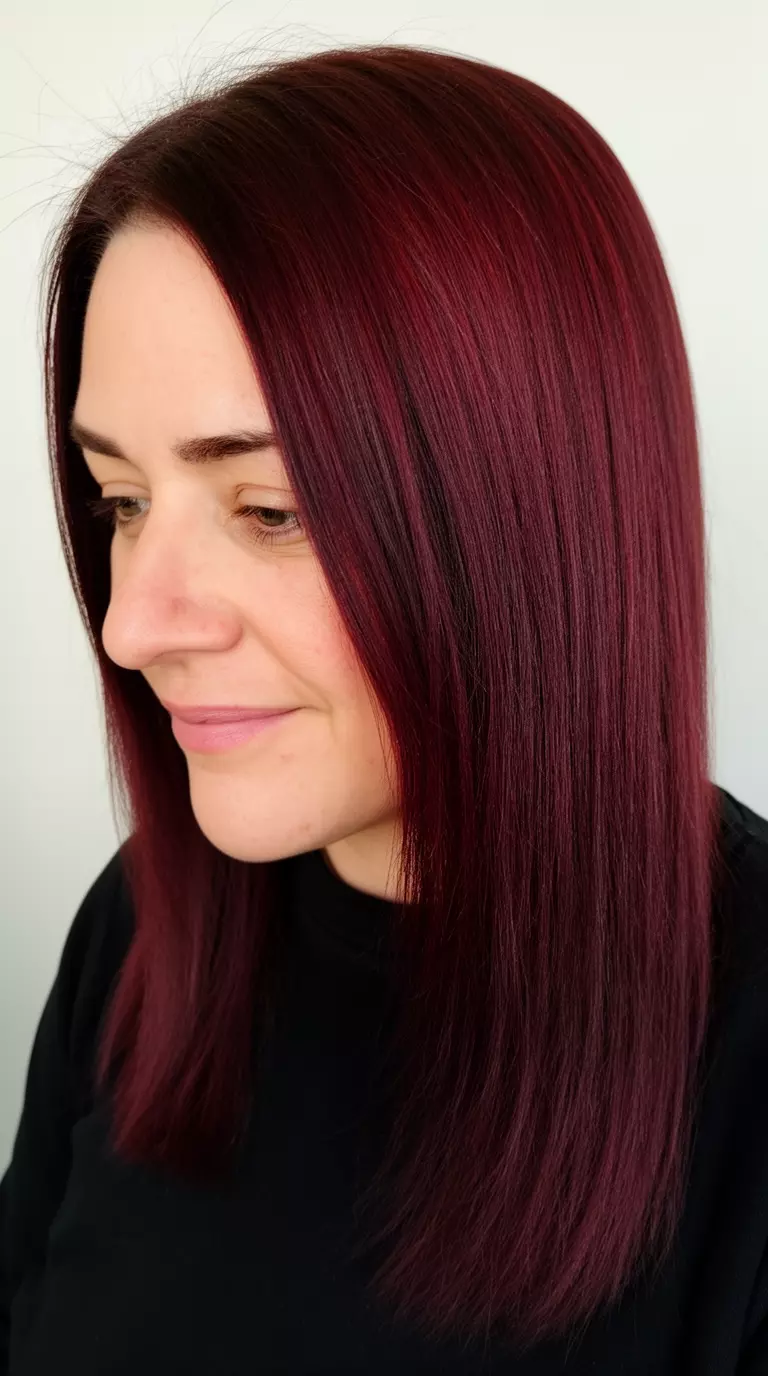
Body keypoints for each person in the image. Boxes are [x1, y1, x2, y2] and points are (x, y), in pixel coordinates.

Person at [1, 41, 767, 1375]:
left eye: (272, 510)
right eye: (121, 501)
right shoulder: (143, 932)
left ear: (534, 514)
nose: (131, 625)